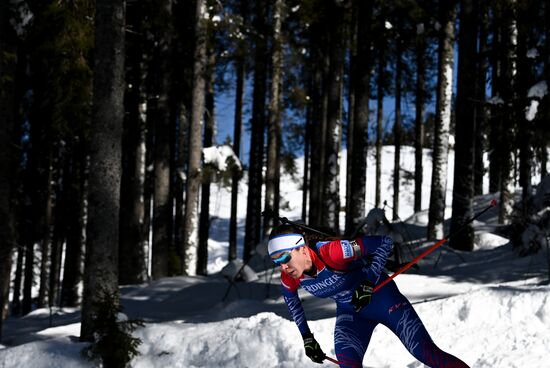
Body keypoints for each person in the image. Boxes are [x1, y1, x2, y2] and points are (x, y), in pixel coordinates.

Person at [268, 224, 469, 368]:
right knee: (347, 363)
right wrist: (307, 338)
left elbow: (384, 243)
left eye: (285, 257)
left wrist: (368, 282)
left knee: (426, 353)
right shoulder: (290, 278)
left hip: (384, 300)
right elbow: (293, 304)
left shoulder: (334, 252)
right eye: (277, 261)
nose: (283, 266)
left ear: (302, 249)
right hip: (352, 312)